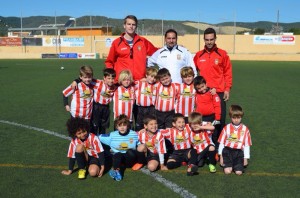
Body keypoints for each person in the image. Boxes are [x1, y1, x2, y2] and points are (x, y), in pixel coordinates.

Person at [193, 27, 232, 149]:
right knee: (204, 121)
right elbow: (193, 72)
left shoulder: (222, 54)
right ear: (204, 40)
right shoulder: (199, 55)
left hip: (218, 92)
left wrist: (227, 89)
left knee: (219, 120)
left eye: (211, 39)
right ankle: (205, 146)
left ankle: (220, 147)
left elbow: (228, 72)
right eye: (207, 39)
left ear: (215, 39)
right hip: (203, 93)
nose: (209, 42)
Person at [105, 15, 158, 82]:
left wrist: (171, 49)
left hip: (139, 81)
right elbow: (109, 62)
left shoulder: (143, 42)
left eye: (133, 24)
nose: (131, 26)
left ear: (136, 26)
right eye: (129, 24)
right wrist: (111, 77)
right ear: (124, 25)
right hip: (122, 82)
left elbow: (156, 52)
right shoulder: (116, 43)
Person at [99, 114, 145, 181]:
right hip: (118, 159)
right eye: (120, 125)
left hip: (130, 159)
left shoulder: (134, 134)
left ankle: (140, 163)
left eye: (124, 125)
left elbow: (141, 143)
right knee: (117, 154)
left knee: (130, 151)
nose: (122, 127)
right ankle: (116, 171)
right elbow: (98, 137)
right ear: (116, 127)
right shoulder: (112, 135)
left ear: (128, 125)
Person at [218, 105, 252, 175]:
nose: (236, 120)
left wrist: (245, 158)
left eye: (238, 118)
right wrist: (221, 156)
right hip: (227, 151)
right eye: (234, 118)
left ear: (241, 117)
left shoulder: (245, 129)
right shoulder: (226, 128)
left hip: (239, 153)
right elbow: (221, 143)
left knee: (238, 172)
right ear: (230, 117)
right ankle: (229, 165)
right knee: (227, 171)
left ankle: (236, 165)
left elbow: (246, 145)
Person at [193, 75, 221, 148]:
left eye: (203, 86)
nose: (201, 89)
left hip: (212, 117)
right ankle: (204, 149)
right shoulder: (196, 94)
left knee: (213, 134)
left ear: (206, 84)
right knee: (203, 134)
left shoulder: (212, 93)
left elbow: (217, 105)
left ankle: (215, 150)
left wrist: (217, 118)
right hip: (201, 118)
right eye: (199, 88)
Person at [90, 68, 116, 135]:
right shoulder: (98, 83)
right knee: (94, 127)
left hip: (106, 109)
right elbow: (86, 78)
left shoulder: (114, 87)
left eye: (112, 78)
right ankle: (93, 143)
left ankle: (102, 144)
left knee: (103, 127)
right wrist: (76, 81)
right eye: (109, 78)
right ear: (104, 78)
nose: (111, 80)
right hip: (96, 107)